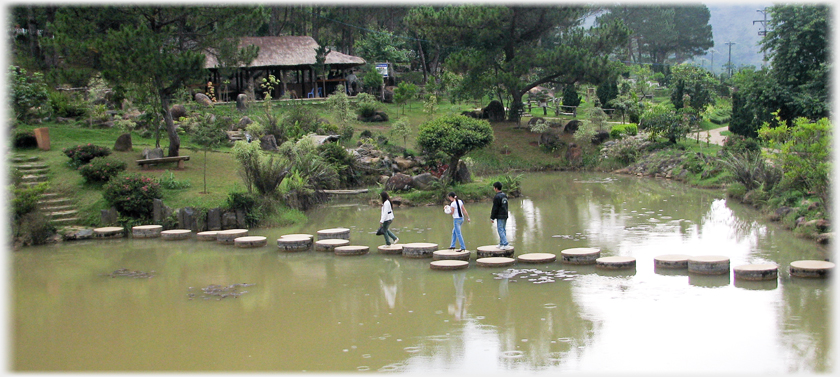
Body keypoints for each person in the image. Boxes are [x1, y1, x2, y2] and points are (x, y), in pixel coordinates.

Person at [490, 181, 512, 250]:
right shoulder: (504, 195)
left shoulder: (497, 197)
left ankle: (506, 243)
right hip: (505, 214)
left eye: (494, 187)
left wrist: (492, 217)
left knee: (500, 229)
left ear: (496, 188)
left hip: (500, 215)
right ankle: (502, 243)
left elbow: (495, 208)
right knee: (503, 229)